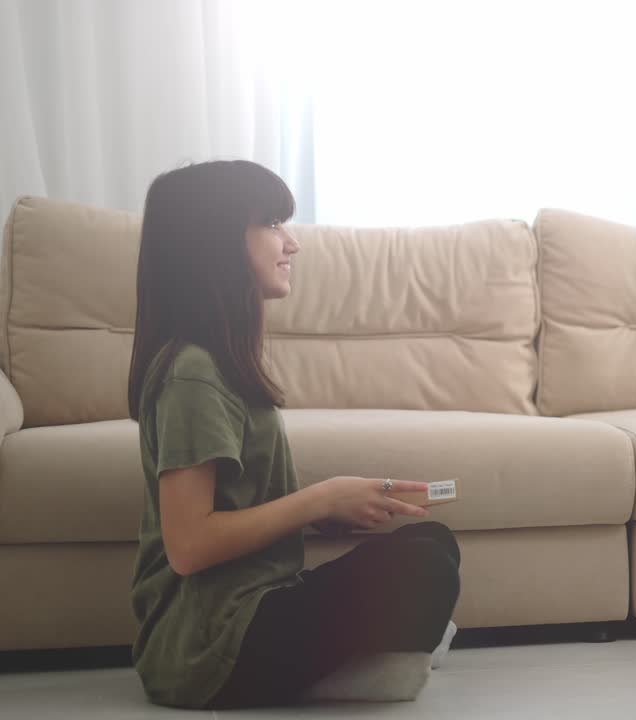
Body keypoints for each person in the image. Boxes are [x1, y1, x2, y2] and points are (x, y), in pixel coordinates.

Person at [127, 160, 460, 708]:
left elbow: (235, 509)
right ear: (216, 242)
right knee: (424, 571)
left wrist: (334, 511)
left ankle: (371, 660)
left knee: (433, 543)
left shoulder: (220, 363)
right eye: (272, 223)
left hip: (253, 606)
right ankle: (368, 669)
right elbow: (188, 546)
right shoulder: (193, 374)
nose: (292, 243)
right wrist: (320, 498)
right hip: (207, 646)